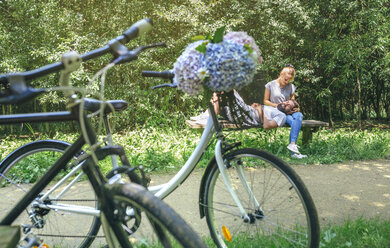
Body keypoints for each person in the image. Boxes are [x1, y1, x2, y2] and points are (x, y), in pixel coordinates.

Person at [264, 64, 307, 158]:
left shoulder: (291, 86)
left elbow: (293, 100)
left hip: (290, 111)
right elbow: (265, 101)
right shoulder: (270, 85)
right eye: (286, 79)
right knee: (294, 122)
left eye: (290, 80)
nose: (287, 82)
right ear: (281, 74)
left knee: (299, 116)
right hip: (279, 112)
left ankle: (292, 144)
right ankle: (294, 152)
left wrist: (296, 107)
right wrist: (277, 105)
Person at [191, 91, 286, 130]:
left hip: (247, 117)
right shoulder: (272, 108)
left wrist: (260, 109)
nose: (286, 103)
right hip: (247, 112)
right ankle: (206, 115)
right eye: (287, 102)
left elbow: (267, 126)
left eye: (289, 106)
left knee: (226, 91)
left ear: (291, 111)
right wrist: (255, 107)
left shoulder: (282, 116)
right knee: (222, 94)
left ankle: (207, 117)